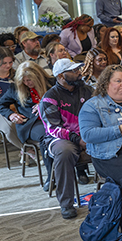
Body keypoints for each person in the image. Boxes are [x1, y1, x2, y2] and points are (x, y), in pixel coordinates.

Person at [78, 65, 122, 211]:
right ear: (106, 83)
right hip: (109, 156)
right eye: (118, 81)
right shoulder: (92, 106)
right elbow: (88, 134)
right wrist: (120, 130)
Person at [39, 58, 93, 218]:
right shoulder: (50, 97)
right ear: (61, 76)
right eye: (74, 71)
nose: (79, 73)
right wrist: (78, 139)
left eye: (78, 69)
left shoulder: (87, 90)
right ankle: (66, 203)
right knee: (65, 151)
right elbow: (53, 128)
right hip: (60, 139)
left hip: (87, 134)